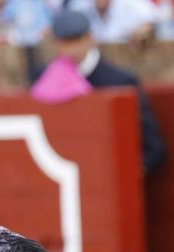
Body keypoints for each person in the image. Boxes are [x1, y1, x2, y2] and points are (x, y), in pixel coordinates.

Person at [39, 9, 167, 174]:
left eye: (76, 40)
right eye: (65, 42)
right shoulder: (44, 78)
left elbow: (153, 148)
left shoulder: (120, 82)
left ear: (89, 38)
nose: (70, 49)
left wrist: (126, 175)